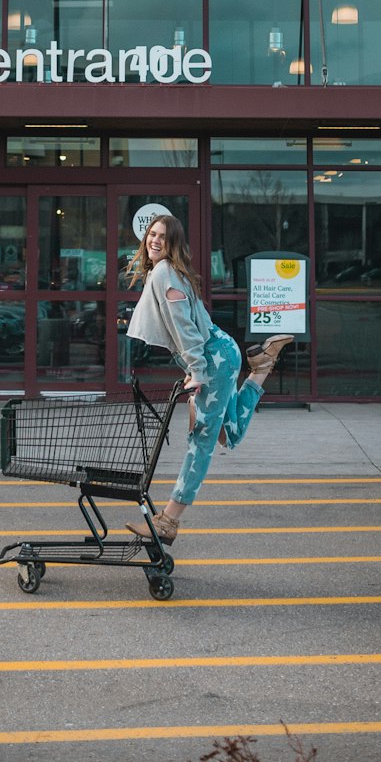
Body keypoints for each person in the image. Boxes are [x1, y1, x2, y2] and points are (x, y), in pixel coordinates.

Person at [123, 214, 292, 544]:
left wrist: (197, 372)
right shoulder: (167, 272)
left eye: (163, 237)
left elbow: (185, 328)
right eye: (152, 234)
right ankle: (261, 367)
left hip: (214, 359)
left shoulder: (163, 273)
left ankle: (169, 520)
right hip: (220, 354)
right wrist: (193, 369)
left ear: (173, 244)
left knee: (201, 442)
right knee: (228, 435)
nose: (155, 240)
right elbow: (185, 327)